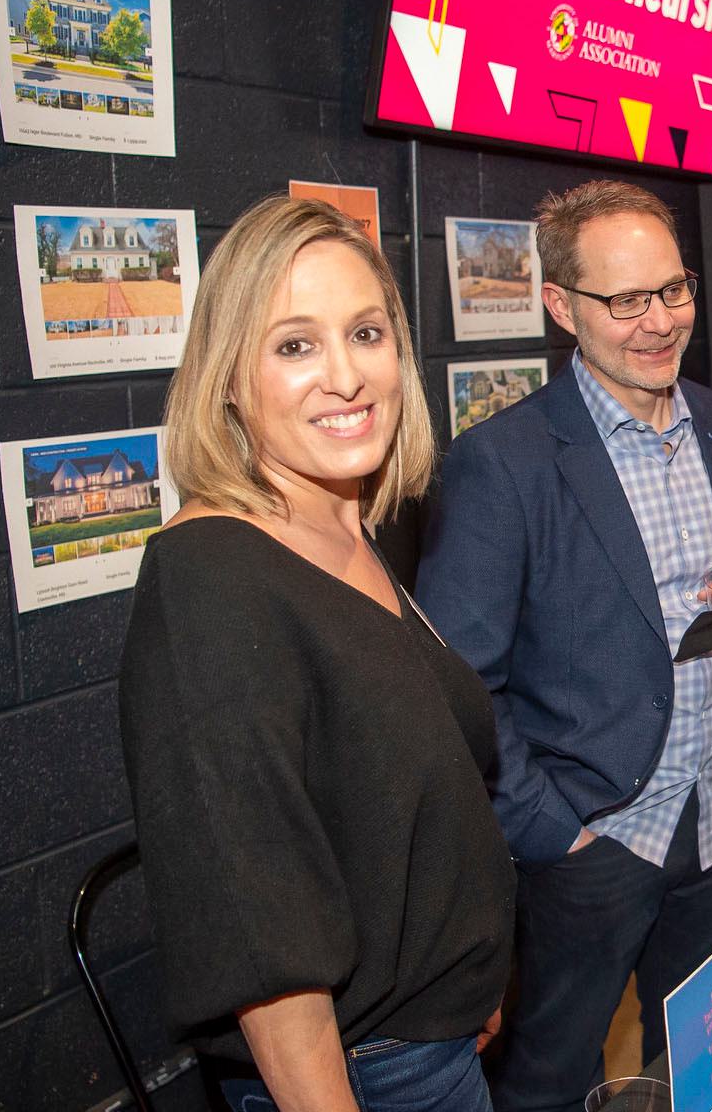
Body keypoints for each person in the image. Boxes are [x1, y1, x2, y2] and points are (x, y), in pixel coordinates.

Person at [117, 196, 514, 1111]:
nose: (345, 375)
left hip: (436, 1038)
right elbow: (261, 924)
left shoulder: (346, 529)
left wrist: (469, 969)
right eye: (295, 345)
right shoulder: (209, 576)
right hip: (367, 1078)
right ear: (227, 376)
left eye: (366, 332)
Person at [416, 180, 712, 1112]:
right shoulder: (500, 465)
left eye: (674, 290)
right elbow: (456, 688)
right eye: (626, 300)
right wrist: (559, 833)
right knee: (549, 1083)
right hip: (594, 840)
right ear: (561, 307)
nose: (660, 322)